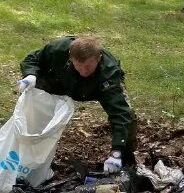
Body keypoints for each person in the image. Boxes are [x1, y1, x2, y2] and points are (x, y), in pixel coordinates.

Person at [16, 36, 137, 173]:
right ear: (70, 57)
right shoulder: (58, 49)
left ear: (99, 58)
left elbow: (120, 114)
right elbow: (33, 59)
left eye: (88, 66)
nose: (84, 71)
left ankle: (124, 161)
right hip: (61, 81)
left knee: (129, 118)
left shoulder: (109, 72)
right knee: (31, 99)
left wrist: (117, 153)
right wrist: (30, 75)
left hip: (98, 87)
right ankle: (28, 151)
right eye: (78, 65)